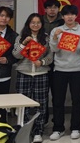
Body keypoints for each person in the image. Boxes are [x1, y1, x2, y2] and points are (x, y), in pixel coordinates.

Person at [49, 4, 80, 141]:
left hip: (78, 69)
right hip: (59, 69)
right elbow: (54, 50)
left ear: (76, 16)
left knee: (77, 100)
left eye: (72, 14)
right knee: (58, 100)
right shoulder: (57, 30)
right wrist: (55, 38)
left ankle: (75, 127)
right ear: (62, 16)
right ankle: (58, 128)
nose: (70, 17)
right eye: (67, 14)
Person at [12, 13, 53, 143]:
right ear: (28, 24)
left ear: (42, 24)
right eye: (32, 22)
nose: (35, 25)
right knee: (23, 104)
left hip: (41, 74)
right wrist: (24, 43)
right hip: (24, 73)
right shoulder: (20, 37)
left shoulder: (45, 38)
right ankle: (24, 130)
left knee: (41, 104)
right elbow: (16, 55)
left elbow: (50, 56)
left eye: (38, 22)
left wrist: (42, 62)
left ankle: (38, 131)